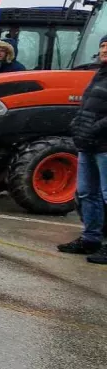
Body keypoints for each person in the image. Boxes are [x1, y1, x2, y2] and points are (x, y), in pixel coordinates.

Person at [58, 35, 107, 263]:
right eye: (102, 46)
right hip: (88, 145)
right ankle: (91, 239)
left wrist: (94, 128)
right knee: (87, 193)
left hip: (103, 145)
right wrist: (77, 125)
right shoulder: (99, 75)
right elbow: (86, 105)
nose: (104, 49)